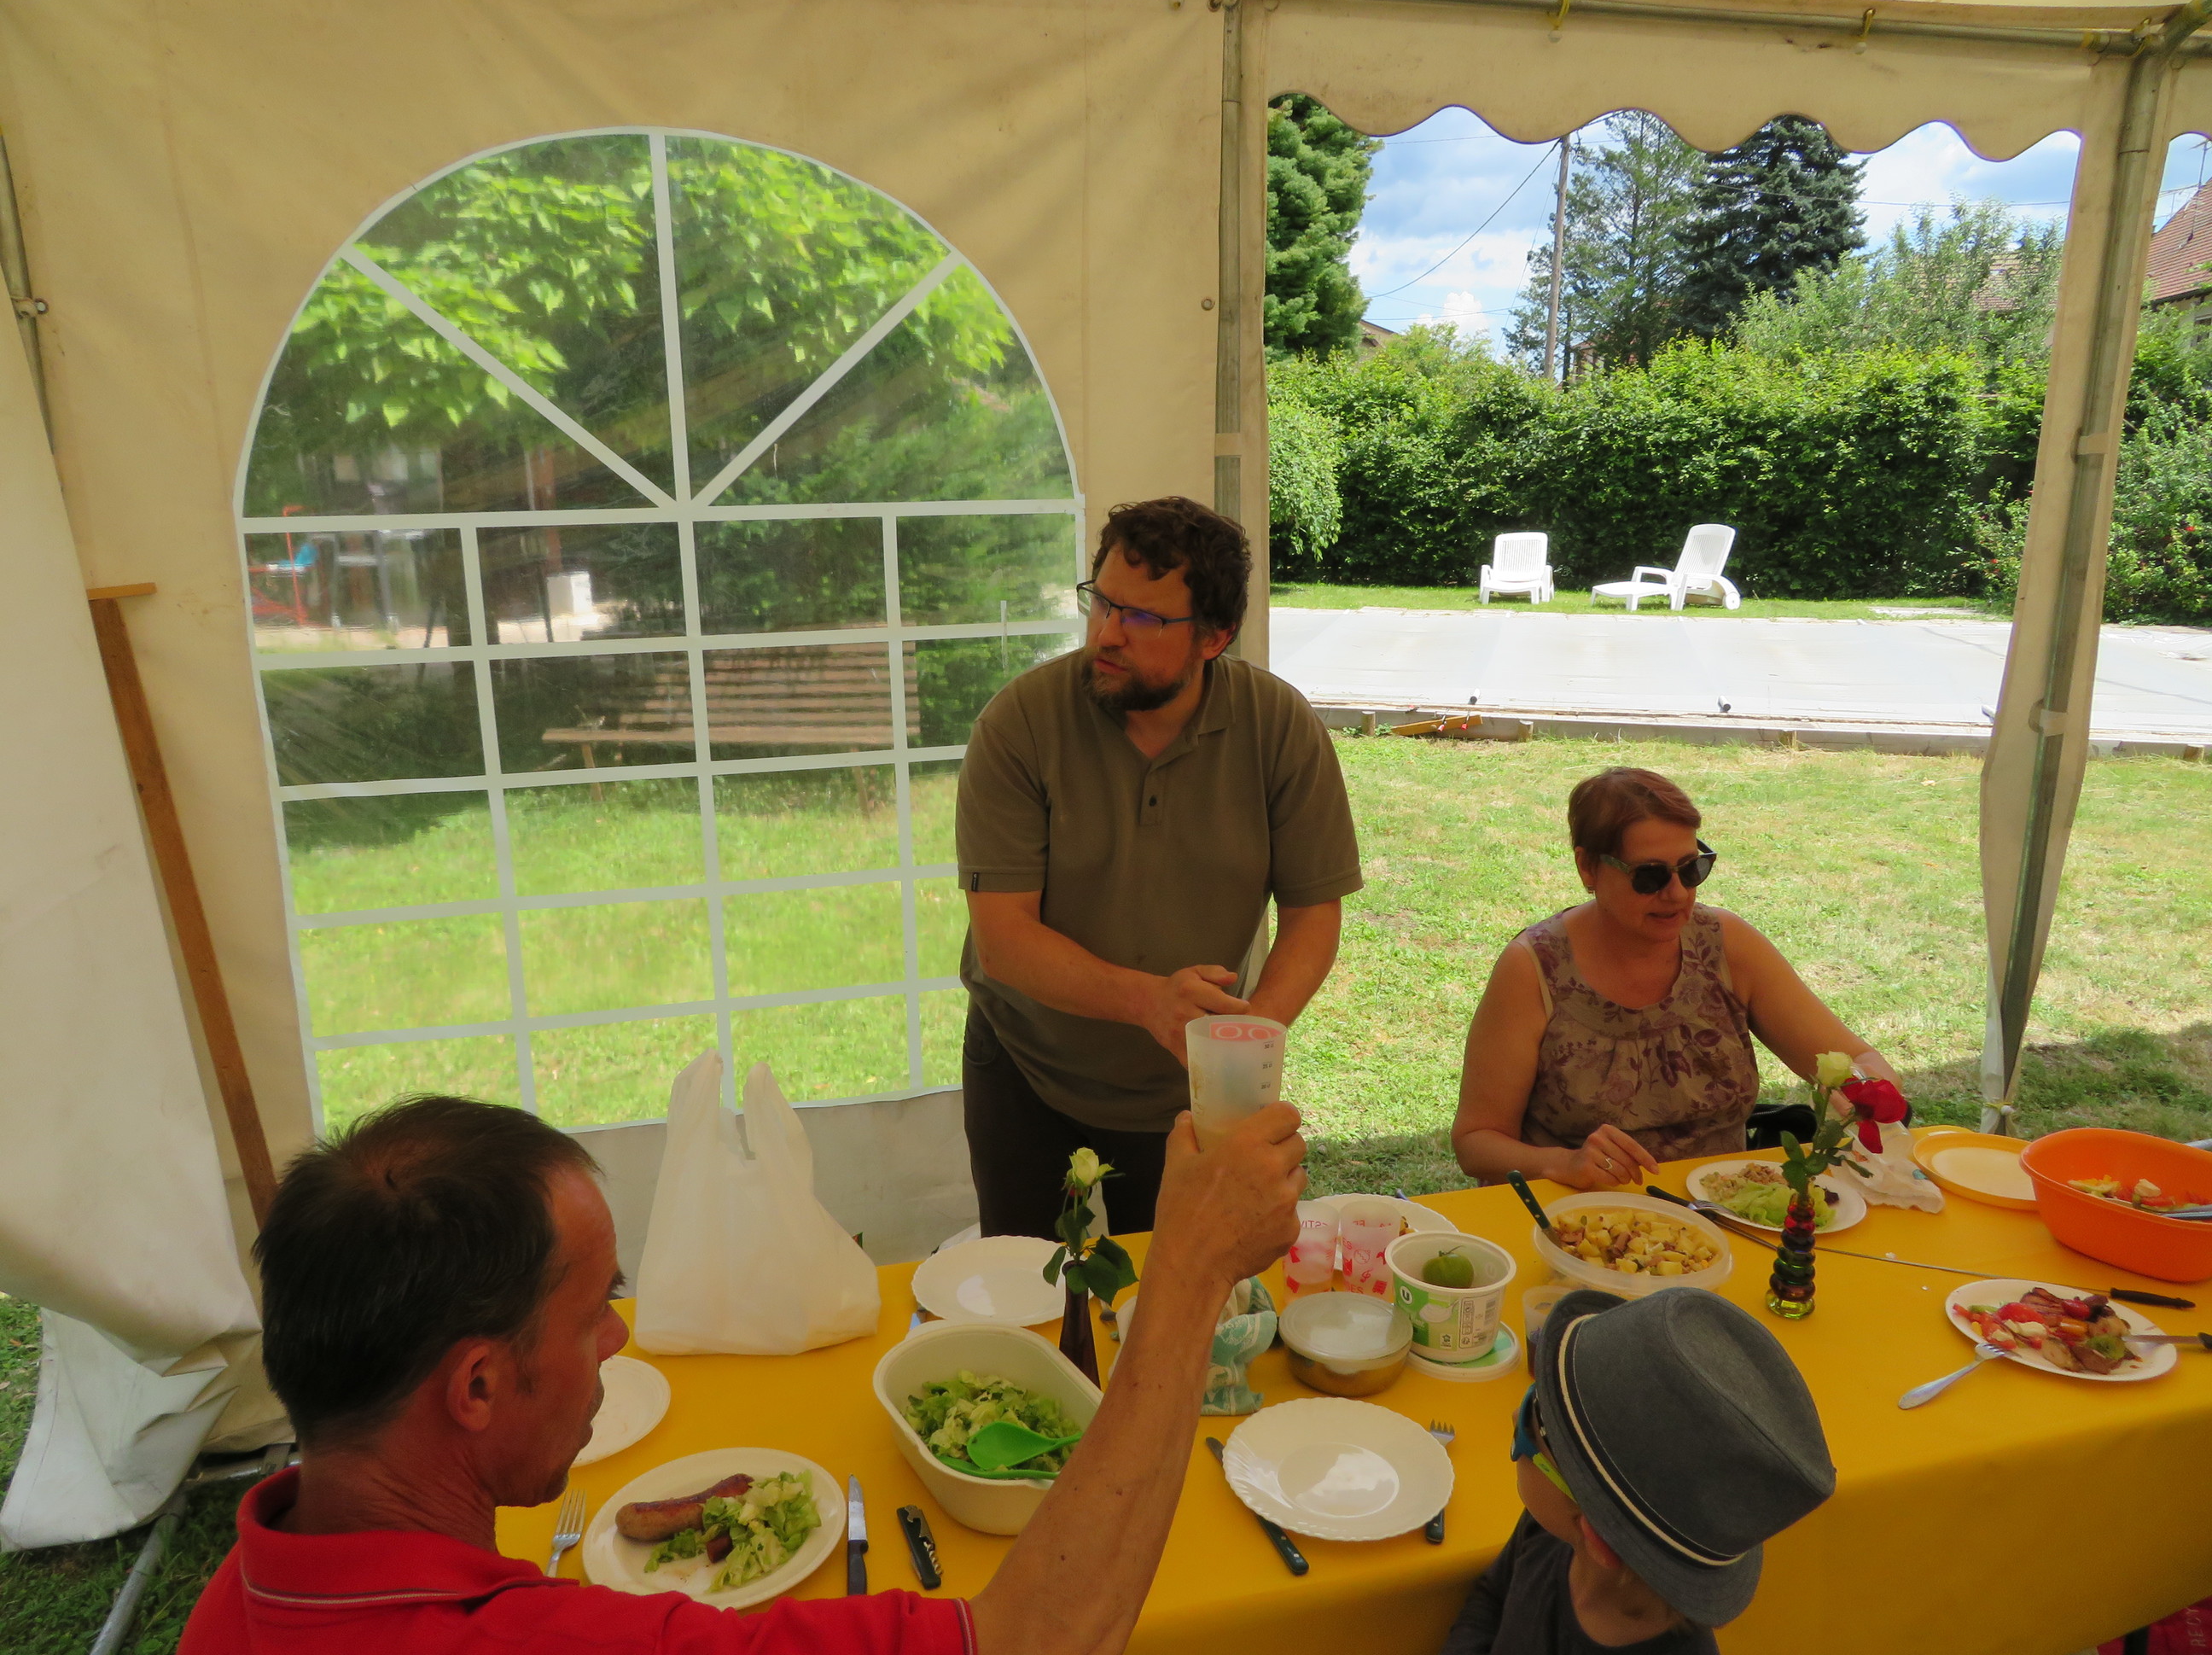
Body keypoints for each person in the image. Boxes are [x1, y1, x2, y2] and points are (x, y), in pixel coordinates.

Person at [179, 1090, 1307, 1655]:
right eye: (594, 1313)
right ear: (475, 1387)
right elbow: (1031, 1638)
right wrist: (1188, 1273)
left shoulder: (236, 1602)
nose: (619, 1341)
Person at [956, 496, 1361, 1238]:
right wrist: (1149, 1002)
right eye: (1102, 602)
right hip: (1027, 1068)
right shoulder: (1020, 725)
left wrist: (1249, 1038)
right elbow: (1004, 940)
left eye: (1143, 617)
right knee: (1029, 1289)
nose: (1107, 633)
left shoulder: (1277, 728)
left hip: (1192, 1089)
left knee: (1184, 1282)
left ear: (1214, 636)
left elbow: (1314, 915)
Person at [1452, 766, 1906, 1190]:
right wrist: (1563, 1163)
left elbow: (1859, 1058)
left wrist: (1861, 1086)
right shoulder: (1534, 968)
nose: (1677, 893)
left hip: (1724, 1203)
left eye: (1692, 869)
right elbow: (1477, 1141)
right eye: (1649, 876)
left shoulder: (1727, 945)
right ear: (1588, 867)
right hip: (1585, 1212)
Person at [1441, 1287, 1836, 1655]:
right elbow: (1492, 1598)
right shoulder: (1549, 1528)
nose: (1515, 1414)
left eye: (1532, 1424)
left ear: (1596, 1537)